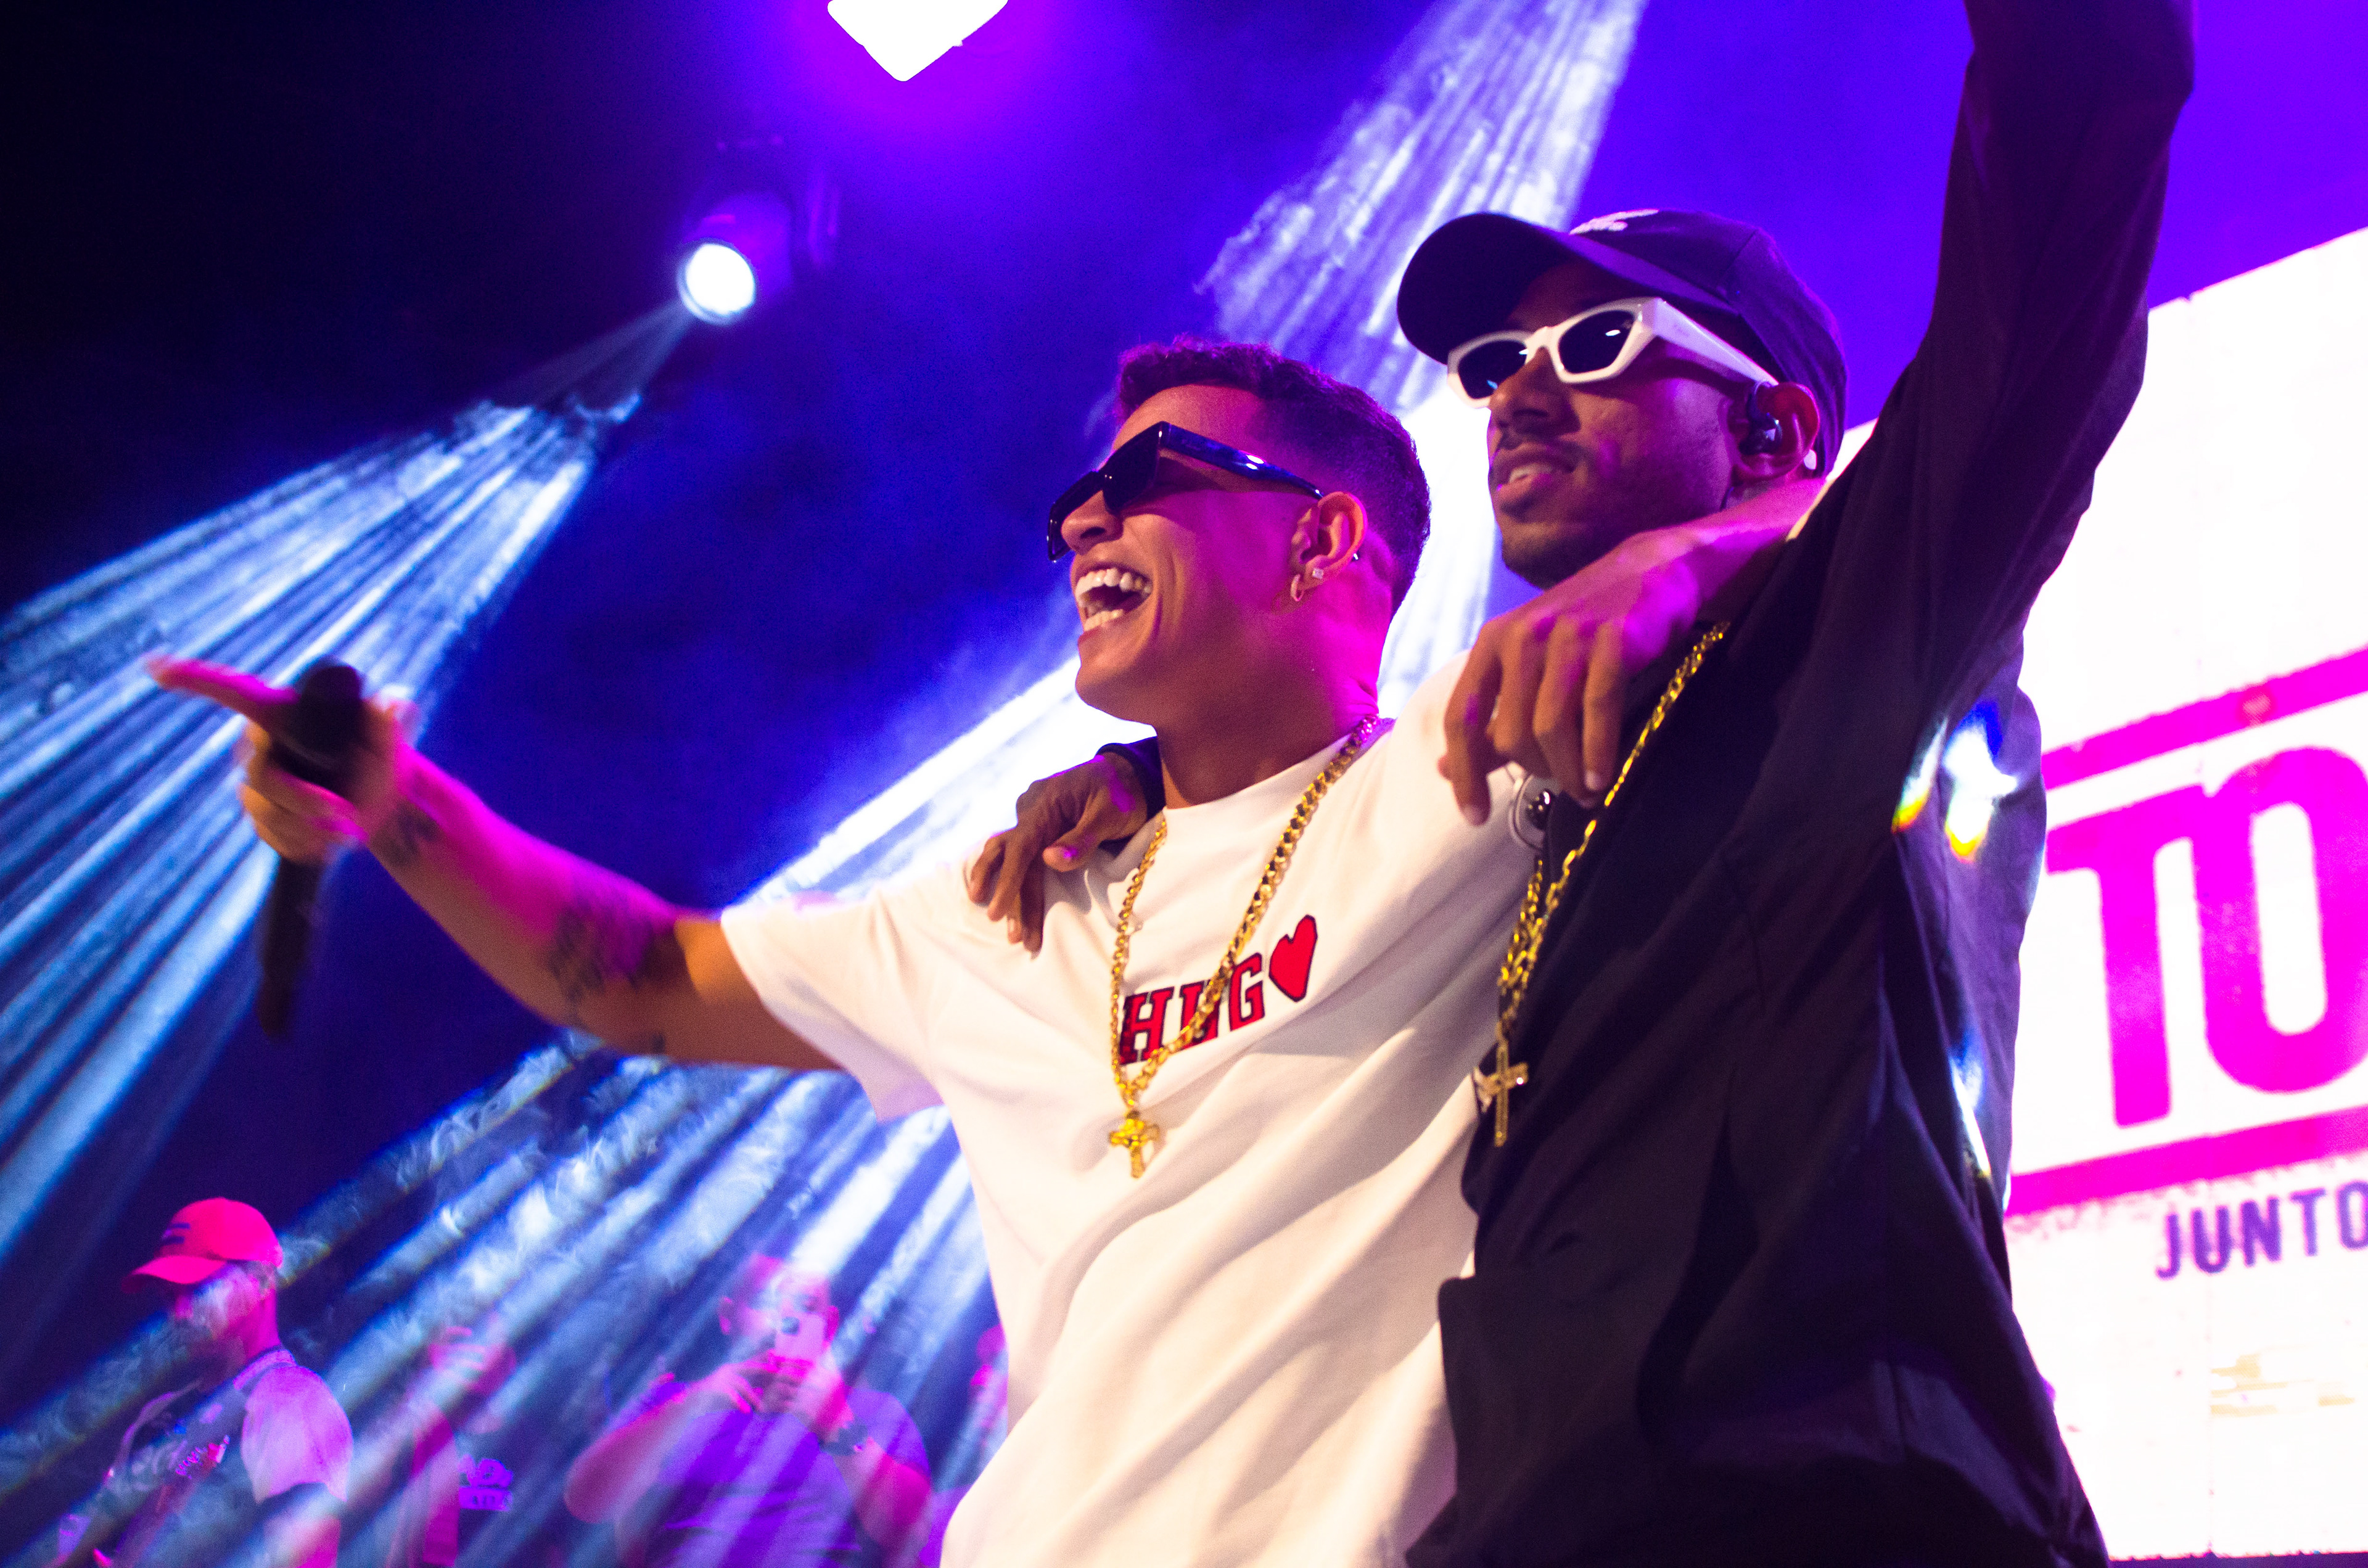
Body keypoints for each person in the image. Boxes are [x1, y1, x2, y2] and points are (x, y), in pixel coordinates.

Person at [155, 338, 1812, 1563]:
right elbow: (642, 978)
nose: (1084, 516)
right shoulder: (1007, 899)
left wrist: (1675, 551)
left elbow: (1904, 500)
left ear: (1319, 543)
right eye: (1079, 494)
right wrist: (404, 807)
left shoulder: (1478, 779)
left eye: (1146, 480)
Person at [985, 2, 2193, 1560]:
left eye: (1600, 345)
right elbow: (1312, 803)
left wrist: (1729, 544)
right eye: (1496, 363)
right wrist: (1149, 776)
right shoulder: (1530, 746)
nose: (1518, 394)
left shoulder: (1861, 639)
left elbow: (2056, 209)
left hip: (1836, 1509)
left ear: (1775, 428)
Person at [562, 1259, 929, 1568]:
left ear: (829, 1326)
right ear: (728, 1316)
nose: (785, 1316)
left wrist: (838, 1426)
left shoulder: (872, 1412)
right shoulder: (671, 1402)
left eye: (805, 1305)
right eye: (766, 1300)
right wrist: (687, 1407)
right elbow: (583, 1502)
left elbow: (913, 1533)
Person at [51, 1199, 351, 1568]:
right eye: (170, 1297)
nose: (179, 1313)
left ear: (260, 1282)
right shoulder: (157, 1415)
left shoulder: (293, 1404)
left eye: (196, 1289)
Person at [369, 1324, 570, 1568]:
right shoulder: (418, 1435)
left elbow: (552, 1542)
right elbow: (374, 1511)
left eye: (486, 1342)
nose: (473, 1355)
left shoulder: (531, 1443)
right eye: (459, 1342)